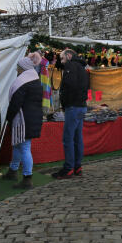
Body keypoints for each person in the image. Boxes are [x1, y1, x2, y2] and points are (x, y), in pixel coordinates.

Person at [3, 56, 43, 190]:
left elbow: (15, 103)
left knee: (24, 147)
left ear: (23, 68)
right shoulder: (36, 81)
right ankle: (13, 170)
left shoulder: (22, 82)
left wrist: (9, 118)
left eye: (18, 67)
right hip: (32, 118)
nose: (17, 70)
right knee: (18, 145)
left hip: (24, 120)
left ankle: (27, 178)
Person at [54, 48, 90, 179]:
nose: (62, 62)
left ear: (69, 56)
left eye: (62, 58)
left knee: (68, 138)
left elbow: (69, 85)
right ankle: (77, 166)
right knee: (77, 137)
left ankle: (69, 168)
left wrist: (64, 102)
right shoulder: (83, 68)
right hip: (81, 106)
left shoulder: (71, 65)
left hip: (73, 106)